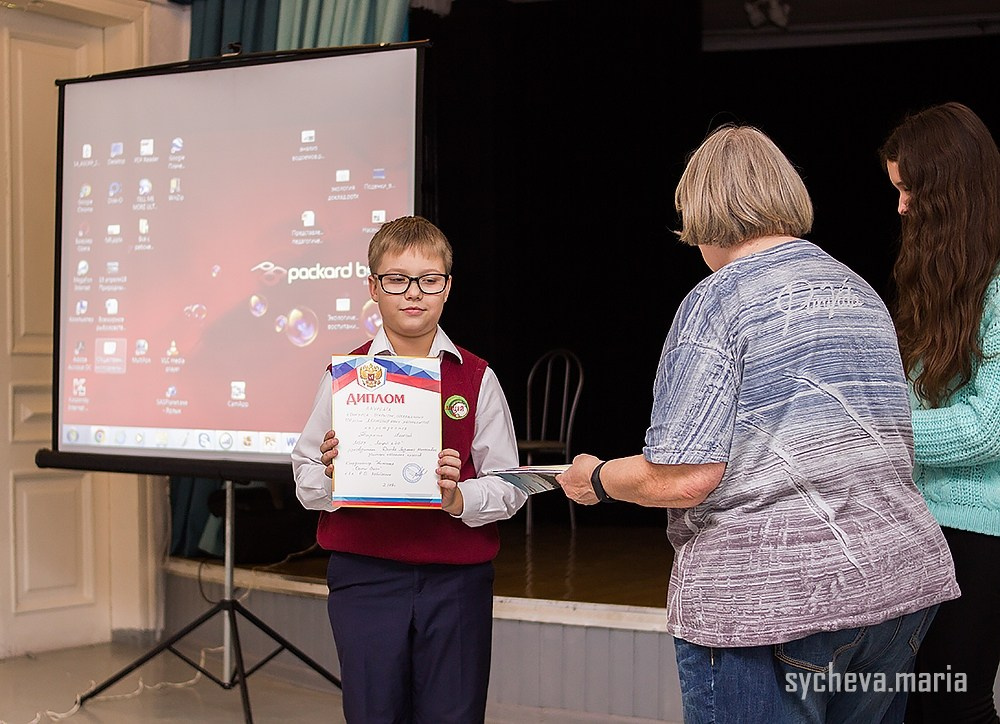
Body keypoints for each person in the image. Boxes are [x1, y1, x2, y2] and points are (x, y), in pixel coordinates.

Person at [555, 124, 960, 723]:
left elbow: (685, 477)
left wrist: (596, 478)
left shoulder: (718, 300)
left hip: (769, 606)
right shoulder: (859, 290)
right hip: (898, 586)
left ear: (704, 210)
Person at [291, 215, 527, 723]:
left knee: (454, 714)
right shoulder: (344, 376)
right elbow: (305, 474)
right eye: (396, 280)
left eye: (429, 280)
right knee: (373, 711)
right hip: (364, 576)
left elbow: (509, 487)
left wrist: (460, 497)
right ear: (373, 288)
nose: (412, 293)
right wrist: (336, 478)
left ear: (447, 288)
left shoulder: (477, 376)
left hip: (457, 581)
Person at [880, 101, 1000, 724]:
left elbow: (988, 427)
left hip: (981, 536)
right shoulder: (946, 280)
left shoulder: (999, 286)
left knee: (954, 706)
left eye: (909, 191)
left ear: (946, 189)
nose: (900, 207)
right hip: (930, 528)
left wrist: (872, 432)